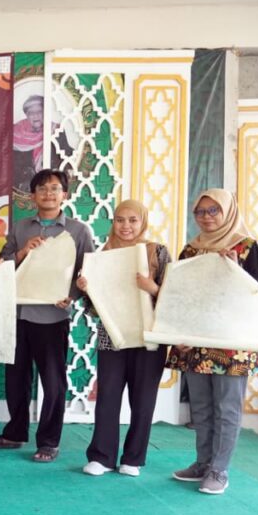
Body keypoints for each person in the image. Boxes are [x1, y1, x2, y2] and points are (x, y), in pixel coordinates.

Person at [0, 169, 95, 462]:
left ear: (64, 195)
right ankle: (15, 434)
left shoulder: (78, 231)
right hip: (18, 315)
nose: (48, 194)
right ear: (32, 196)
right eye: (42, 189)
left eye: (54, 188)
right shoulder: (20, 228)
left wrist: (72, 296)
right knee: (16, 379)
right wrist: (22, 253)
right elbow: (1, 265)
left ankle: (48, 442)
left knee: (53, 383)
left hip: (53, 317)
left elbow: (88, 272)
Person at [166, 189, 258, 495]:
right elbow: (179, 295)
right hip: (197, 341)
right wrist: (178, 333)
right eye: (200, 212)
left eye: (214, 210)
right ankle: (202, 463)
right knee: (200, 406)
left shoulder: (246, 247)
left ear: (228, 212)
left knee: (227, 408)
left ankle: (219, 469)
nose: (207, 217)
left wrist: (235, 270)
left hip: (232, 343)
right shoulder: (192, 250)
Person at [76, 200, 171, 477]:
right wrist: (87, 290)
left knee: (143, 401)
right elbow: (94, 309)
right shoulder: (103, 255)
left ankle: (133, 459)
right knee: (108, 397)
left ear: (143, 222)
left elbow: (175, 297)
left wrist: (151, 287)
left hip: (150, 339)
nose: (125, 226)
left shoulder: (157, 252)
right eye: (119, 220)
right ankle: (102, 457)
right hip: (113, 337)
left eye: (132, 220)